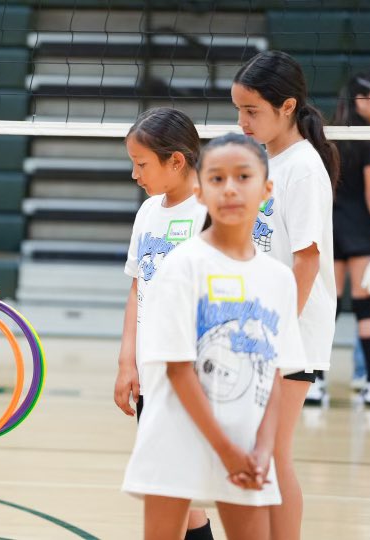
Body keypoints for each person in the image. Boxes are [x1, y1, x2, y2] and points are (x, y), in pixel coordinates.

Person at [123, 133, 306, 540]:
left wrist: (261, 450)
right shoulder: (181, 266)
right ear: (201, 192)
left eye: (243, 176)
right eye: (217, 179)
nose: (230, 188)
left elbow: (276, 374)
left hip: (246, 444)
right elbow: (178, 369)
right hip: (179, 436)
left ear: (267, 189)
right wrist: (226, 451)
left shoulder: (278, 279)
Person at [231, 50, 338, 540]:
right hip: (262, 327)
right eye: (239, 110)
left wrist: (278, 334)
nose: (242, 121)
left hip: (290, 332)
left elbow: (308, 259)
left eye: (252, 110)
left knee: (272, 452)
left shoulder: (304, 168)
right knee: (259, 451)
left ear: (287, 106)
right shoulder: (270, 161)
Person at [112, 107, 212, 539]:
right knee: (180, 498)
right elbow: (138, 288)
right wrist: (126, 362)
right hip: (151, 370)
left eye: (141, 164)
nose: (135, 175)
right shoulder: (149, 212)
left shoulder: (208, 213)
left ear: (176, 160)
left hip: (189, 372)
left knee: (169, 489)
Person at [331, 69, 370, 405]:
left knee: (332, 307)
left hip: (333, 227)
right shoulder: (368, 137)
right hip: (360, 229)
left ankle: (317, 382)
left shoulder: (328, 135)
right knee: (366, 305)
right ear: (360, 101)